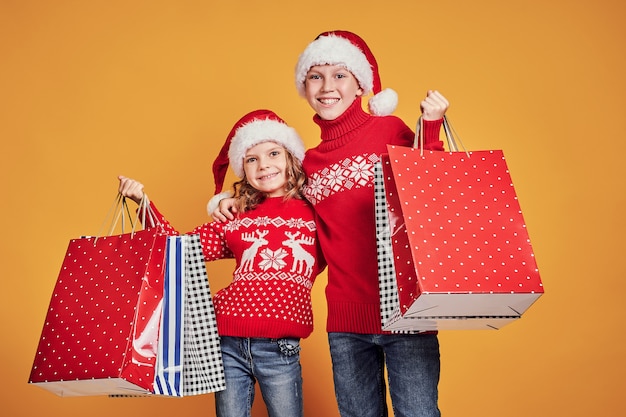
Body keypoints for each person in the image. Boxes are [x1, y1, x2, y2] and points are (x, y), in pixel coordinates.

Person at [213, 31, 449, 417]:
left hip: (407, 311)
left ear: (360, 84)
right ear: (304, 87)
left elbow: (432, 187)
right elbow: (278, 209)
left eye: (340, 75)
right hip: (345, 322)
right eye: (315, 76)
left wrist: (432, 126)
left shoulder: (389, 131)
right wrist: (229, 200)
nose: (327, 87)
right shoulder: (310, 164)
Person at [119, 109, 325, 417]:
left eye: (272, 153)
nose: (264, 164)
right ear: (243, 168)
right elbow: (181, 249)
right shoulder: (236, 215)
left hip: (280, 347)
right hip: (226, 341)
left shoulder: (317, 211)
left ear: (291, 157)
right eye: (252, 159)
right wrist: (142, 204)